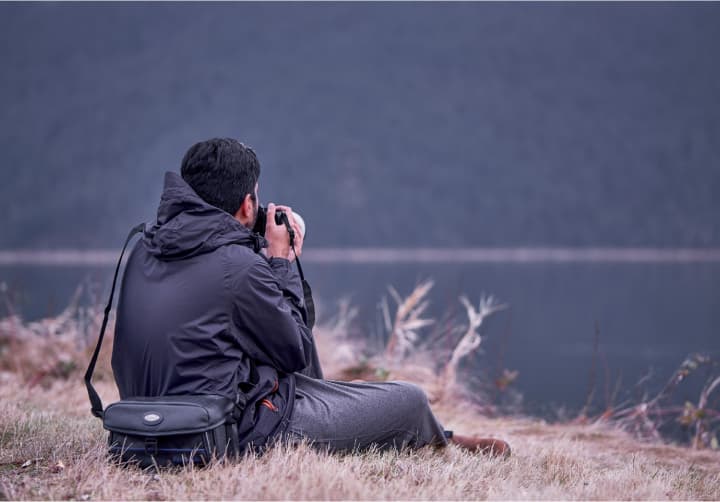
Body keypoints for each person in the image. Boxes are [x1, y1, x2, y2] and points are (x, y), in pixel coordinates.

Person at [111, 137, 510, 457]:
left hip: (144, 423)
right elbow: (295, 350)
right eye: (256, 199)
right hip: (228, 431)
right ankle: (433, 439)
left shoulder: (143, 250)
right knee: (409, 399)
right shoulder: (239, 269)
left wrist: (257, 249)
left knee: (280, 348)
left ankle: (394, 424)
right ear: (248, 204)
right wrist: (280, 260)